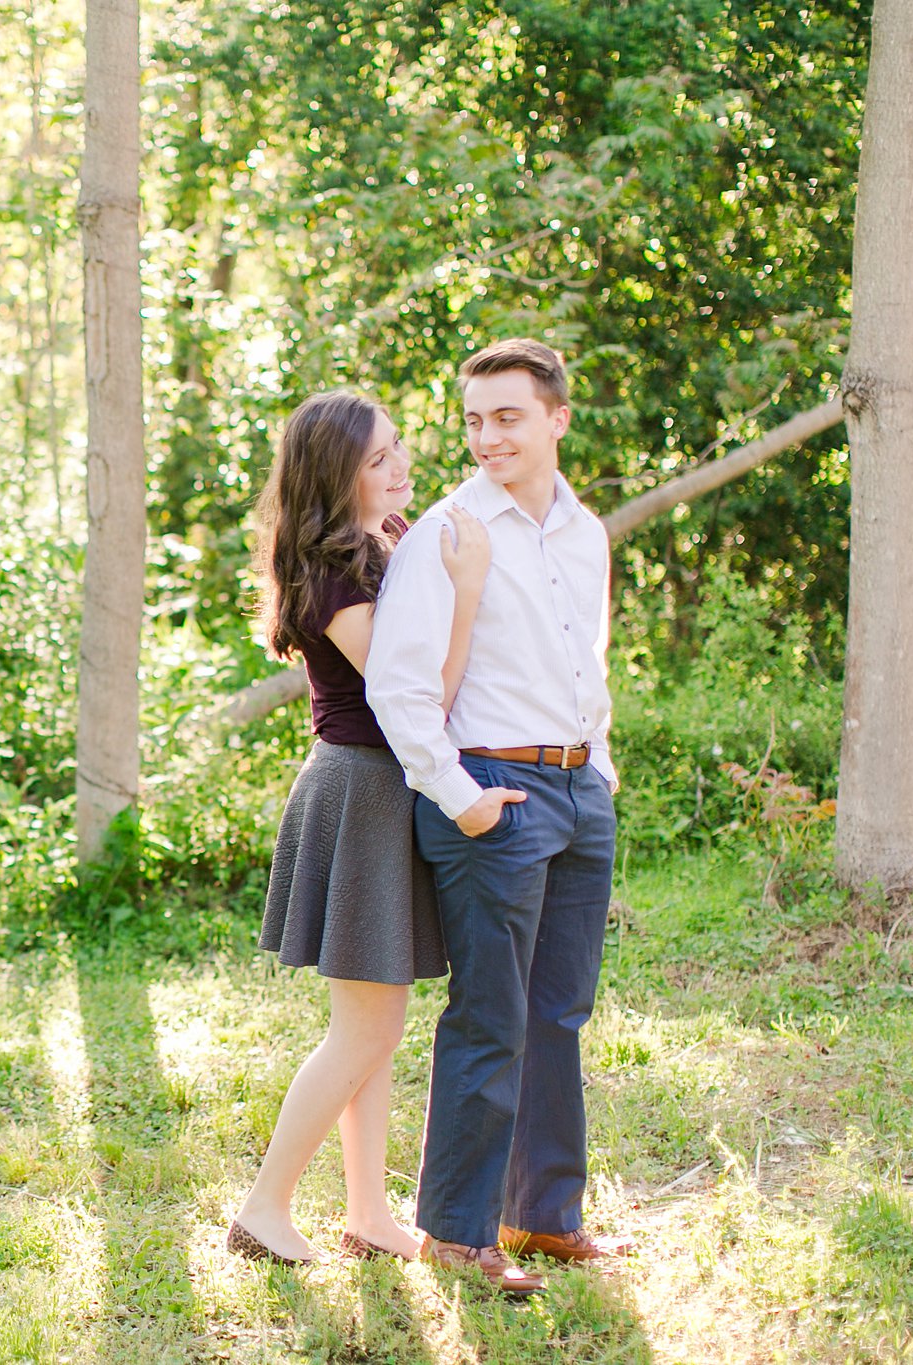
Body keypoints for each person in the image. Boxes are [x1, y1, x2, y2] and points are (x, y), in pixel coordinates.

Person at [365, 338, 634, 1299]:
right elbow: (399, 689)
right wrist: (462, 795)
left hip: (576, 790)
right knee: (491, 1014)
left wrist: (596, 770)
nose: (487, 438)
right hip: (491, 795)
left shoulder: (584, 531)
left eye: (508, 416)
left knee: (559, 1010)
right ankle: (456, 1229)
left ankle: (543, 1215)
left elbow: (582, 661)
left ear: (558, 418)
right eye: (474, 419)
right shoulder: (444, 531)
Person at [227, 390, 493, 1265]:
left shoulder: (380, 541)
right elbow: (415, 691)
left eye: (397, 449)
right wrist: (462, 593)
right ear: (334, 474)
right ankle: (264, 1206)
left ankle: (369, 1214)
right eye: (378, 458)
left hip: (382, 788)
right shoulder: (334, 568)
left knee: (376, 1022)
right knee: (367, 1028)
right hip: (363, 790)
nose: (399, 465)